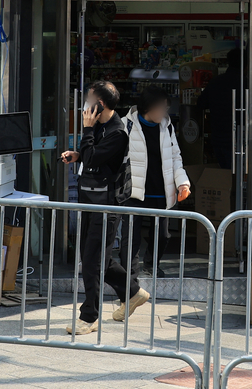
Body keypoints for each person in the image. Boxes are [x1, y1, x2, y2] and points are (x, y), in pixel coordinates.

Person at [60, 80, 149, 335]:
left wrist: (86, 134)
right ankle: (132, 293)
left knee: (91, 261)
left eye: (89, 102)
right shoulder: (100, 127)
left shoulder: (117, 132)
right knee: (100, 258)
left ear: (100, 104)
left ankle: (89, 316)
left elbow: (94, 155)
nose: (85, 107)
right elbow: (91, 157)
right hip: (91, 202)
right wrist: (77, 154)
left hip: (106, 206)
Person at [122, 85, 191, 277]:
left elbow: (176, 157)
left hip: (161, 190)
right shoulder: (125, 125)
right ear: (147, 107)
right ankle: (130, 271)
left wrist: (183, 183)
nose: (163, 112)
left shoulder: (167, 126)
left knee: (162, 235)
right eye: (160, 108)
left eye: (165, 108)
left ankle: (152, 266)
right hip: (134, 190)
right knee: (131, 235)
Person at [195, 47, 242, 169]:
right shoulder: (246, 83)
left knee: (225, 172)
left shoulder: (216, 82)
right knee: (239, 172)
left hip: (218, 136)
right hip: (239, 137)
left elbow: (201, 104)